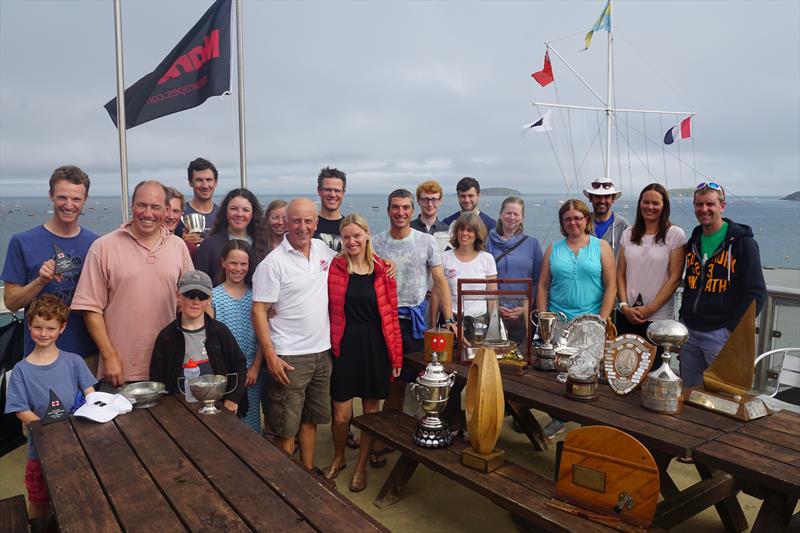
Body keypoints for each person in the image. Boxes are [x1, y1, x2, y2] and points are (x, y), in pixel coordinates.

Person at [72, 180, 194, 386]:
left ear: (166, 211)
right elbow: (90, 309)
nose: (148, 213)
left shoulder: (178, 247)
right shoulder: (103, 247)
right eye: (142, 205)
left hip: (168, 367)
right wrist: (109, 356)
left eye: (155, 207)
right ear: (132, 206)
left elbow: (191, 301)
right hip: (120, 371)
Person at [372, 189, 456, 465]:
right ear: (388, 210)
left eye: (406, 208)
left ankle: (421, 430)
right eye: (395, 207)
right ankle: (382, 436)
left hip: (416, 324)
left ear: (412, 211)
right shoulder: (376, 243)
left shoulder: (427, 242)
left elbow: (440, 282)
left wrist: (450, 318)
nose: (400, 212)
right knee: (390, 383)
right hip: (384, 322)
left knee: (419, 382)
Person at [251, 198, 336, 470]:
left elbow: (353, 263)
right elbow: (259, 311)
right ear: (286, 223)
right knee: (285, 429)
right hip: (289, 356)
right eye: (296, 221)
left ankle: (307, 473)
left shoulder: (324, 250)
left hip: (321, 352)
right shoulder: (272, 263)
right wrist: (271, 357)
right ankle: (287, 488)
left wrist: (385, 265)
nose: (302, 227)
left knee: (310, 421)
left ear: (316, 223)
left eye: (308, 221)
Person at [324, 214, 402, 491]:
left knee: (370, 412)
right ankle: (340, 457)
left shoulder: (383, 270)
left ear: (367, 235)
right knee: (341, 414)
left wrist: (396, 356)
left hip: (375, 346)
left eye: (357, 236)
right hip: (345, 344)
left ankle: (361, 467)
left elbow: (391, 315)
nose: (352, 241)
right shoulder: (334, 267)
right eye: (346, 237)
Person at [5, 294, 96, 523]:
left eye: (50, 328)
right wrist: (47, 431)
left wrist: (94, 410)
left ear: (62, 328)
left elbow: (91, 394)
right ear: (29, 326)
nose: (43, 333)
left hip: (76, 447)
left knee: (76, 494)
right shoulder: (21, 370)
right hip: (40, 451)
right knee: (38, 499)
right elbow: (20, 409)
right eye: (38, 327)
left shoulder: (74, 361)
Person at [2, 166, 99, 368]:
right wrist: (39, 282)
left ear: (85, 200)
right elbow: (11, 302)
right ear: (51, 196)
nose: (69, 205)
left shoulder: (97, 244)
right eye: (62, 197)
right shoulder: (22, 242)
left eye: (76, 199)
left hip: (88, 355)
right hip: (40, 357)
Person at [537, 199, 616, 438]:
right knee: (558, 377)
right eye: (568, 219)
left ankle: (587, 427)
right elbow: (542, 285)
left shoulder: (601, 247)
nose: (573, 222)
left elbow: (611, 286)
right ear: (563, 223)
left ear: (586, 220)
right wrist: (544, 320)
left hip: (590, 323)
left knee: (587, 376)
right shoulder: (553, 249)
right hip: (559, 322)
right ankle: (558, 418)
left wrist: (601, 320)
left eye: (578, 218)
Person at [678, 182, 767, 387]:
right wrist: (684, 316)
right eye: (699, 204)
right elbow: (691, 285)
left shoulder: (742, 243)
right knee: (689, 392)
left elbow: (757, 292)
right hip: (690, 332)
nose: (704, 210)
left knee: (724, 394)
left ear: (722, 206)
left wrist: (732, 329)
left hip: (721, 334)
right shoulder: (695, 241)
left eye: (710, 204)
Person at [150, 270, 246, 414]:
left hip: (218, 407)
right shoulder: (167, 337)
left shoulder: (219, 331)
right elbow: (157, 379)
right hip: (179, 410)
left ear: (209, 299)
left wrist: (233, 398)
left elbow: (239, 364)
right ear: (178, 296)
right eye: (190, 295)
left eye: (202, 296)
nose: (196, 301)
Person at [616, 184, 686, 368]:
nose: (650, 207)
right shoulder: (628, 234)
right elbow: (620, 273)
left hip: (658, 320)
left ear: (664, 206)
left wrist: (650, 309)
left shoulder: (675, 235)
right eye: (646, 202)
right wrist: (624, 306)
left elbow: (675, 278)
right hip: (627, 315)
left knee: (652, 371)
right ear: (640, 204)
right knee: (625, 370)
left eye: (655, 203)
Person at [211, 240, 262, 432]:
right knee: (226, 426)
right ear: (223, 263)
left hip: (251, 374)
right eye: (233, 263)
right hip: (224, 375)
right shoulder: (214, 297)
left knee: (250, 425)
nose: (238, 269)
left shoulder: (256, 297)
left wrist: (256, 368)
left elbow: (262, 338)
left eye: (243, 264)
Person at [486, 196, 544, 342]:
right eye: (508, 213)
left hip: (523, 314)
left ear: (522, 218)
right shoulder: (488, 242)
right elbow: (483, 279)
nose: (512, 217)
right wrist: (494, 306)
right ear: (500, 214)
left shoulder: (532, 244)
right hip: (494, 312)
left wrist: (526, 307)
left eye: (516, 214)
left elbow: (538, 280)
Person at [437, 213, 497, 342]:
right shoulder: (444, 257)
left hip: (479, 323)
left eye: (469, 230)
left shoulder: (487, 259)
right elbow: (438, 294)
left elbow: (492, 298)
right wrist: (432, 326)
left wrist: (494, 328)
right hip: (450, 322)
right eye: (461, 229)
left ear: (477, 234)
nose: (464, 233)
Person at [193, 188, 268, 284]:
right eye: (234, 209)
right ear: (225, 211)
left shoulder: (263, 245)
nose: (239, 214)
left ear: (253, 214)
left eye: (246, 210)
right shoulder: (209, 246)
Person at [177, 157, 221, 246]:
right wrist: (181, 243)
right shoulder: (178, 214)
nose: (205, 186)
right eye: (199, 180)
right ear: (190, 182)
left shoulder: (223, 214)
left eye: (209, 180)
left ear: (215, 182)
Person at [583, 177, 629, 255]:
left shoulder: (623, 225)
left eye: (607, 196)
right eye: (598, 196)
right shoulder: (581, 222)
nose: (602, 201)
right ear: (591, 198)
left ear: (613, 199)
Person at [313, 166, 347, 252]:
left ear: (343, 193)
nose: (332, 194)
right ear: (319, 191)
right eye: (328, 189)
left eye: (337, 190)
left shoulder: (350, 226)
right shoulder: (309, 226)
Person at [165, 187, 197, 255]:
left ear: (181, 213)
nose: (171, 216)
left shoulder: (190, 249)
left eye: (176, 211)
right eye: (166, 210)